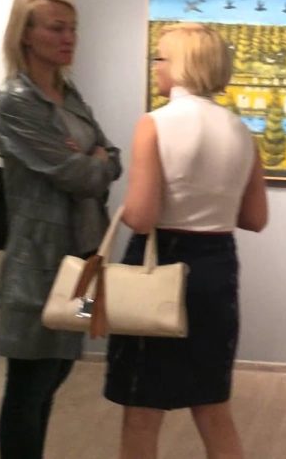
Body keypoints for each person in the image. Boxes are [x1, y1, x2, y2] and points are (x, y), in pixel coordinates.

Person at [105, 23, 268, 459]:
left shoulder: (153, 124)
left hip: (159, 266)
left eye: (160, 57)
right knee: (213, 407)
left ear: (180, 65)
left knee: (142, 410)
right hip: (217, 267)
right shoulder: (241, 131)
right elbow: (255, 218)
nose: (155, 67)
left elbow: (141, 218)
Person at [0, 0, 121, 459]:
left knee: (59, 371)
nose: (69, 38)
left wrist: (94, 160)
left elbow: (113, 157)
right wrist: (90, 160)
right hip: (38, 263)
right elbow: (77, 174)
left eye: (73, 29)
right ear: (26, 34)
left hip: (85, 258)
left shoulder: (70, 95)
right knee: (29, 383)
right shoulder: (16, 102)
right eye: (56, 28)